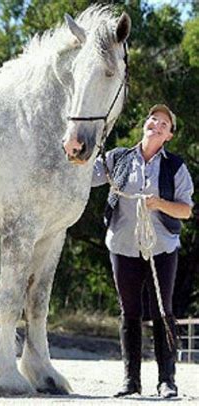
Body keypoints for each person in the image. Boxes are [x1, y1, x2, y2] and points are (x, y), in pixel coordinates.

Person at [91, 104, 194, 398]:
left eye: (164, 123)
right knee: (130, 312)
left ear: (169, 135)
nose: (157, 124)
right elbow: (87, 173)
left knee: (163, 312)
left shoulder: (176, 167)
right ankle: (131, 382)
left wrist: (159, 203)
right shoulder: (118, 158)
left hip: (162, 247)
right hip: (122, 246)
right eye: (153, 119)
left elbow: (186, 211)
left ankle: (167, 380)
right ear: (144, 125)